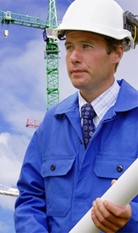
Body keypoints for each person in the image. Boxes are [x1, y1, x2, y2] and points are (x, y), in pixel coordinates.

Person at [14, 0, 138, 232]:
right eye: (69, 47)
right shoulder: (51, 123)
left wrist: (132, 218)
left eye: (86, 46)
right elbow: (30, 199)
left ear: (117, 53)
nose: (73, 57)